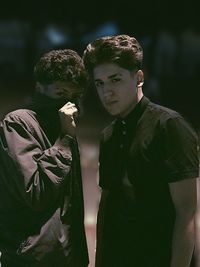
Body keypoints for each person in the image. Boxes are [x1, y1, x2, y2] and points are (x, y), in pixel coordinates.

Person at [83, 34, 199, 267]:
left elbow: (186, 213)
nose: (107, 92)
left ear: (138, 78)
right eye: (100, 83)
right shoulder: (109, 135)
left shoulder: (169, 126)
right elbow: (107, 207)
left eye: (115, 80)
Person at [0, 49, 89, 267]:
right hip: (32, 257)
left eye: (74, 95)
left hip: (66, 255)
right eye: (60, 93)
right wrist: (65, 140)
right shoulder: (18, 123)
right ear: (40, 86)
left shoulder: (62, 125)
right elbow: (37, 192)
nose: (68, 104)